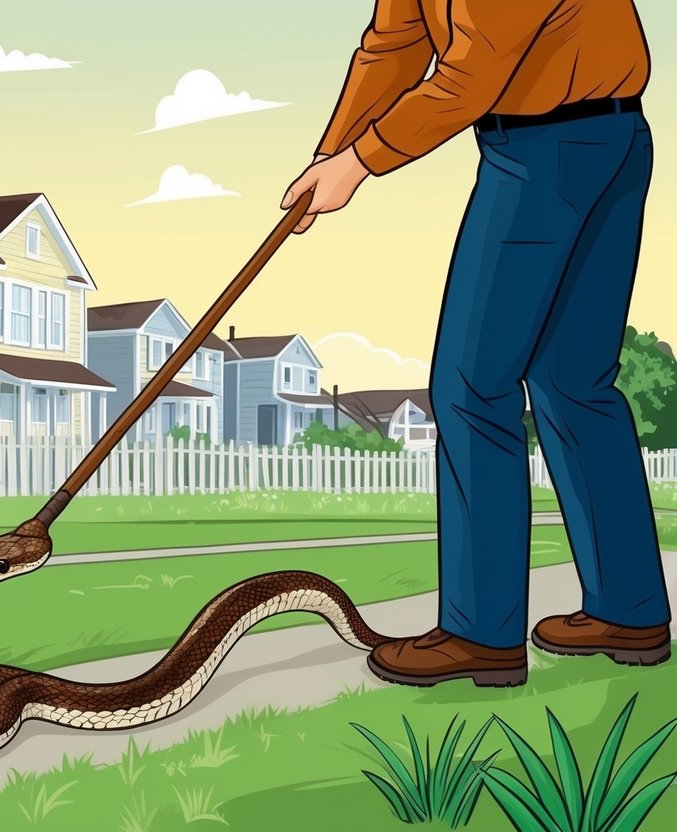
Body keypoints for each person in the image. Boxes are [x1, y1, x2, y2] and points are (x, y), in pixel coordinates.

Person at [282, 0, 671, 687]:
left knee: (470, 387)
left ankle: (479, 633)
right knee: (571, 382)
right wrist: (330, 153)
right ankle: (628, 610)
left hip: (541, 154)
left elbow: (469, 77)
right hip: (602, 138)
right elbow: (393, 43)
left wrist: (359, 162)